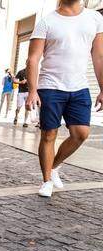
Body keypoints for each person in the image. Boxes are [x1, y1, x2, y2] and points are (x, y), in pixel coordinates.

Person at [27, 0, 103, 197]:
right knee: (49, 135)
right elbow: (33, 58)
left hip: (79, 87)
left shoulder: (94, 18)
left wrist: (102, 89)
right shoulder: (47, 21)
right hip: (50, 86)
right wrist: (33, 90)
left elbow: (99, 57)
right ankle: (46, 181)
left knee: (81, 133)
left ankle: (54, 167)